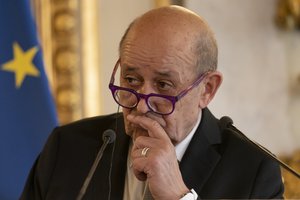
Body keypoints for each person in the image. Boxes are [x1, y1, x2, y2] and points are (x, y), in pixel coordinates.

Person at [20, 5, 284, 200]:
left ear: (207, 89)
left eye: (163, 85)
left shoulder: (254, 172)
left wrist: (179, 196)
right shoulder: (67, 148)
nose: (142, 106)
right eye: (131, 80)